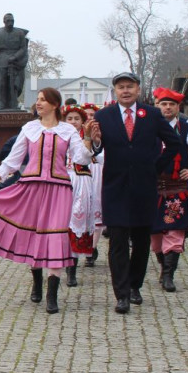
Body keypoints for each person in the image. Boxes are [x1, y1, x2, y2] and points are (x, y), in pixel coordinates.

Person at [0, 88, 95, 314]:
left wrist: (88, 139)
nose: (38, 103)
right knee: (34, 234)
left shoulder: (68, 130)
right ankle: (37, 282)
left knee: (55, 236)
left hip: (59, 189)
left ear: (54, 104)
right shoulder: (30, 128)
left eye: (42, 100)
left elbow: (81, 158)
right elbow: (13, 161)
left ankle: (52, 295)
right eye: (37, 100)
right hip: (31, 187)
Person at [90, 72, 182, 314]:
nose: (126, 91)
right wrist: (96, 142)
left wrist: (156, 167)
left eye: (130, 86)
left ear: (138, 90)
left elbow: (174, 142)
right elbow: (94, 150)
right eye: (121, 87)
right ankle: (121, 294)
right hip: (115, 186)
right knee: (118, 240)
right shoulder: (104, 116)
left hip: (144, 186)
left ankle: (134, 286)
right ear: (115, 91)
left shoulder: (151, 114)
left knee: (141, 240)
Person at [149, 88, 188, 293]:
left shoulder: (187, 127)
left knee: (175, 231)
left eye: (171, 105)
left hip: (176, 187)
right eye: (163, 104)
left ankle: (169, 275)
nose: (167, 108)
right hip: (151, 188)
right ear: (157, 105)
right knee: (155, 236)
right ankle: (162, 267)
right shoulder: (148, 126)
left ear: (178, 108)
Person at [61, 105, 102, 287]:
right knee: (61, 223)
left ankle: (72, 269)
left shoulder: (85, 137)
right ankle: (58, 261)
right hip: (61, 180)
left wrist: (88, 139)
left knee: (77, 221)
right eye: (69, 118)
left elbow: (84, 158)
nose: (73, 122)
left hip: (80, 180)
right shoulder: (58, 134)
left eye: (76, 119)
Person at [0, 13, 29, 110]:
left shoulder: (19, 33)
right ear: (4, 21)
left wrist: (15, 57)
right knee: (1, 82)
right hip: (2, 59)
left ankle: (13, 102)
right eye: (8, 21)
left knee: (13, 84)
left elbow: (23, 48)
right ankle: (1, 103)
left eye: (12, 21)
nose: (10, 23)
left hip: (15, 61)